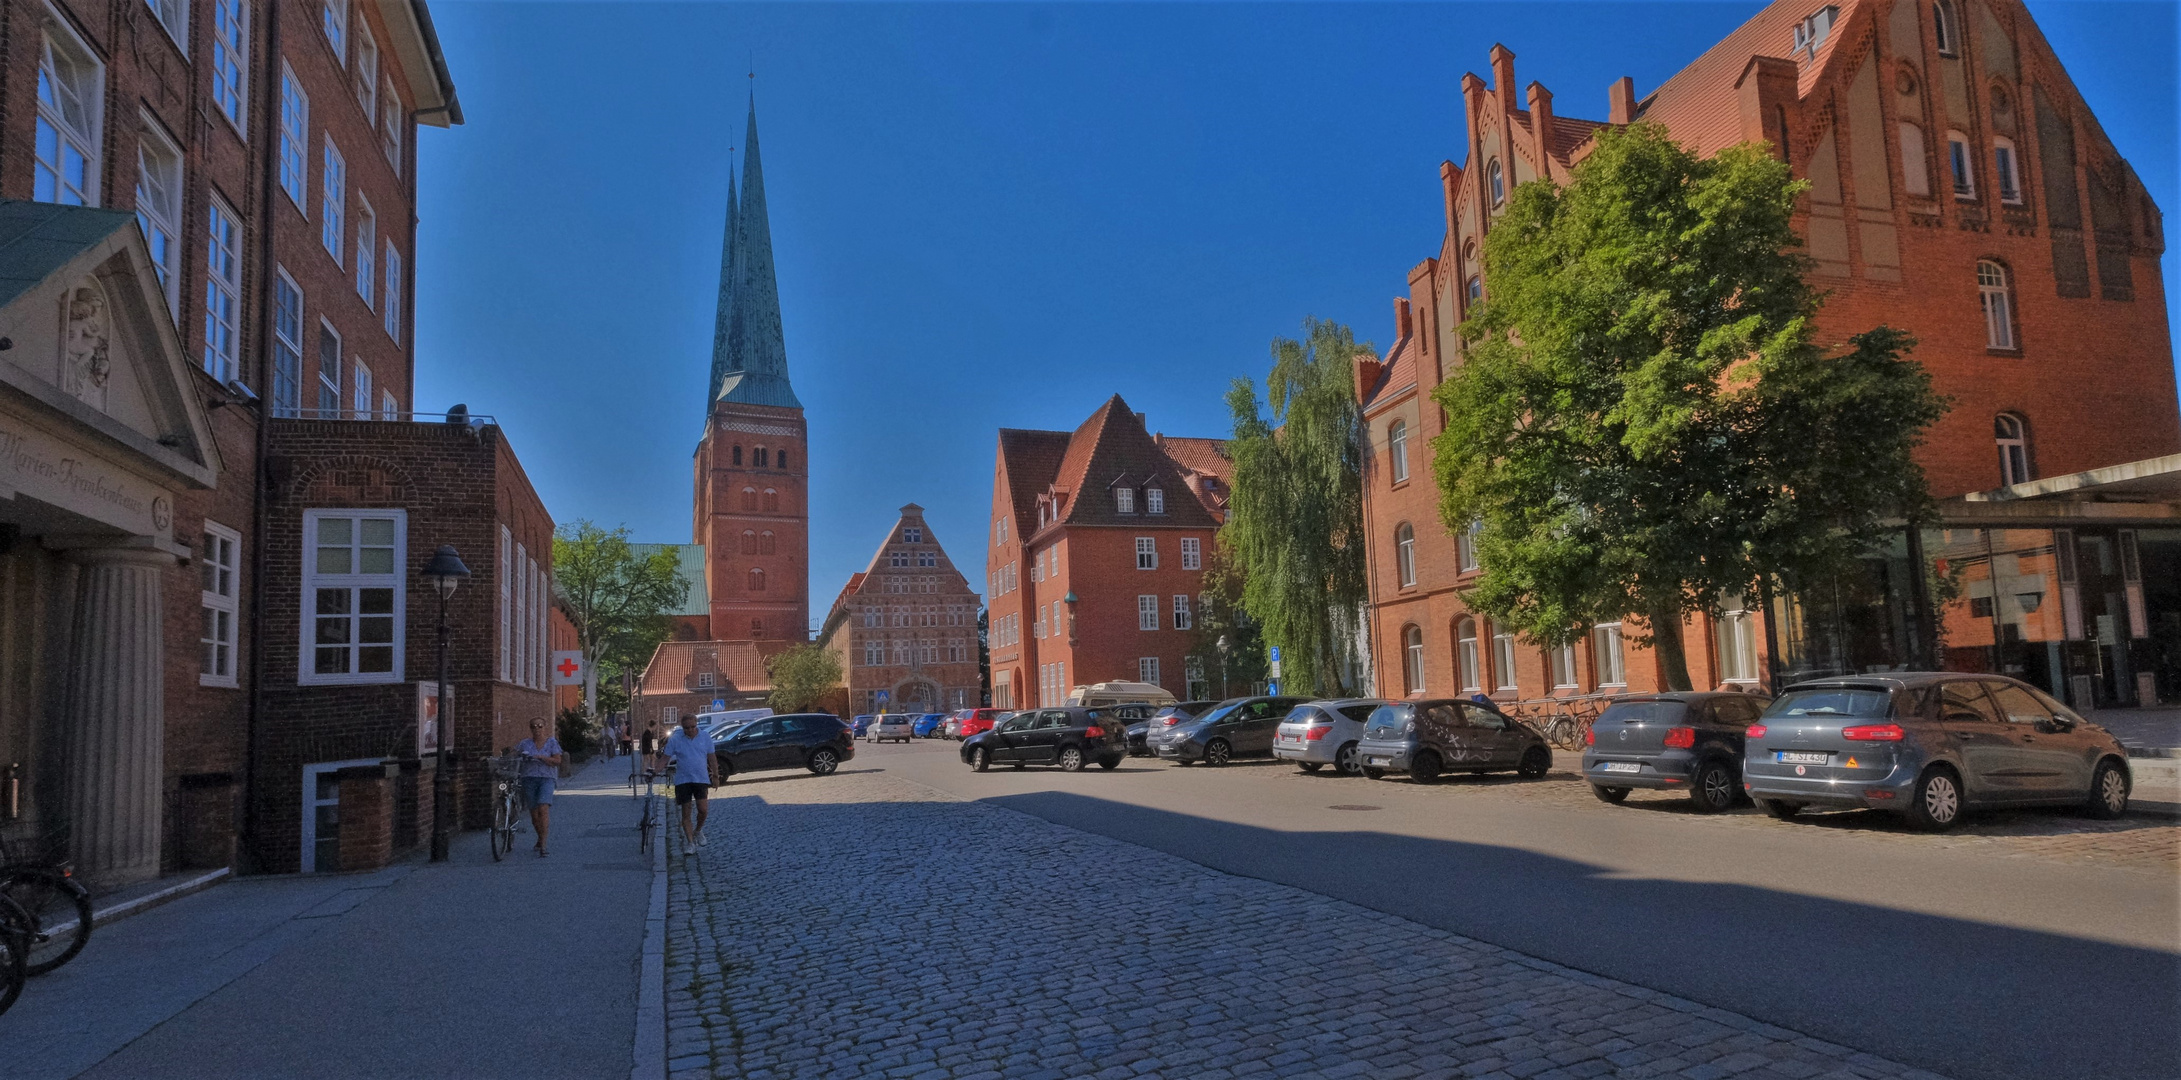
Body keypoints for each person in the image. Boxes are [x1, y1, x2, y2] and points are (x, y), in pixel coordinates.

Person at [661, 713, 719, 857]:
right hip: (683, 780)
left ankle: (698, 831)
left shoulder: (705, 737)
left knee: (703, 810)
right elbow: (665, 758)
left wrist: (716, 776)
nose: (690, 730)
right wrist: (655, 770)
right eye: (687, 728)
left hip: (700, 779)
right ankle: (690, 843)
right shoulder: (676, 739)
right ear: (682, 727)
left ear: (696, 725)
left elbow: (712, 758)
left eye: (693, 727)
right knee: (686, 812)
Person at [516, 718, 565, 857]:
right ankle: (539, 837)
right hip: (529, 778)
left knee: (543, 807)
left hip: (546, 778)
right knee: (534, 814)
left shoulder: (551, 743)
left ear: (545, 727)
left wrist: (542, 758)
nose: (537, 729)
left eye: (539, 726)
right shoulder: (524, 744)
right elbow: (514, 756)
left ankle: (543, 844)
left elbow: (557, 761)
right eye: (533, 726)